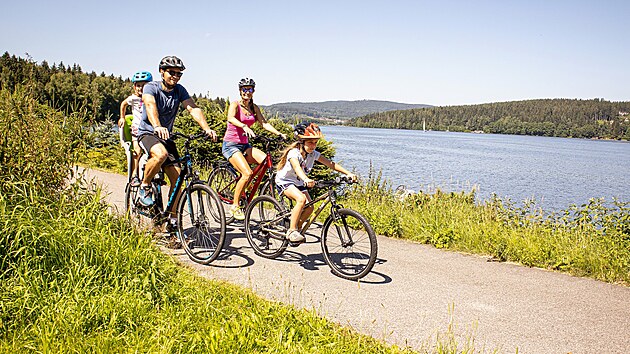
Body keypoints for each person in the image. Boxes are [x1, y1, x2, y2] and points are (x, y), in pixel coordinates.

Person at [136, 56, 217, 227]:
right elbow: (150, 105)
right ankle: (144, 186)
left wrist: (206, 128)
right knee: (160, 154)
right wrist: (157, 126)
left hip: (166, 137)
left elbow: (193, 108)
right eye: (171, 72)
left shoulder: (180, 90)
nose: (175, 76)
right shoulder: (151, 87)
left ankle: (172, 223)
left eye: (179, 74)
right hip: (148, 133)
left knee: (178, 180)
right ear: (162, 72)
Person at [275, 123, 356, 243]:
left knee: (310, 207)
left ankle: (297, 226)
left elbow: (330, 164)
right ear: (302, 142)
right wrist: (306, 179)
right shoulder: (294, 153)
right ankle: (291, 231)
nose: (313, 145)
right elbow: (297, 168)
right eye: (310, 142)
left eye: (315, 143)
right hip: (285, 181)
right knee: (301, 200)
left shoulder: (313, 154)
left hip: (298, 183)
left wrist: (348, 173)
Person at [221, 77, 286, 220]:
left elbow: (264, 123)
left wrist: (279, 133)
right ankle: (235, 205)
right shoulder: (235, 104)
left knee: (265, 162)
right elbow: (230, 118)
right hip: (231, 145)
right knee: (247, 173)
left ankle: (248, 186)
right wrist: (243, 125)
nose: (246, 92)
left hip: (245, 145)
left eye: (249, 89)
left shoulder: (253, 107)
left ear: (253, 91)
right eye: (244, 89)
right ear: (240, 91)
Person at [118, 71, 152, 187]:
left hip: (149, 129)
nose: (141, 88)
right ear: (134, 86)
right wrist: (122, 117)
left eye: (144, 85)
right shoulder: (133, 98)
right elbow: (123, 104)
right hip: (137, 129)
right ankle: (134, 176)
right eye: (138, 85)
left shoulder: (151, 98)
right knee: (137, 152)